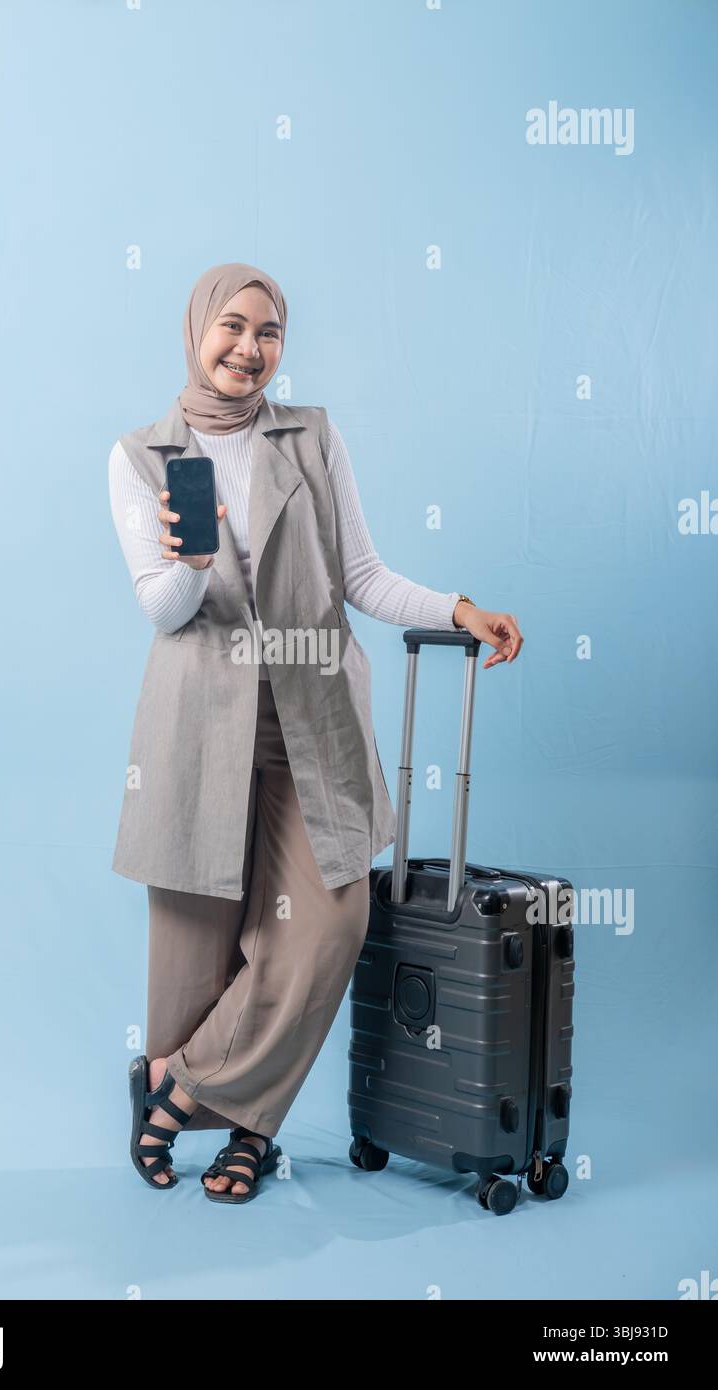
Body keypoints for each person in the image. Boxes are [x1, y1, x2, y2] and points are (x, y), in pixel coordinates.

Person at [108, 262, 523, 1203]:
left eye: (270, 332)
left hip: (312, 722)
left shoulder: (311, 436)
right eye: (232, 327)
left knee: (329, 922)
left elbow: (363, 577)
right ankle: (242, 1129)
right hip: (195, 732)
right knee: (194, 954)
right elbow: (165, 611)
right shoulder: (142, 455)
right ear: (195, 331)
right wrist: (196, 554)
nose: (249, 349)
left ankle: (180, 1087)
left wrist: (460, 608)